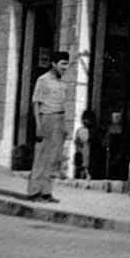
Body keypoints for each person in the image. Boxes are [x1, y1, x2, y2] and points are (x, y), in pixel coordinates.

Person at [24, 51, 74, 202]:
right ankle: (34, 192)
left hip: (59, 118)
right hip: (46, 118)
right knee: (41, 156)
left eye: (67, 64)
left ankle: (46, 192)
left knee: (54, 158)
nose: (65, 67)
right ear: (53, 64)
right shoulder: (43, 80)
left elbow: (63, 104)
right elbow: (36, 103)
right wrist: (38, 126)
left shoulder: (62, 82)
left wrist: (65, 126)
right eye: (62, 64)